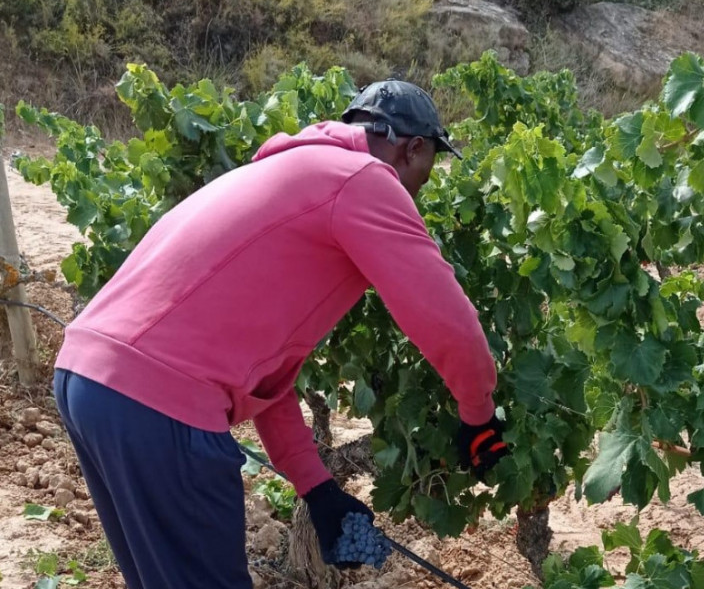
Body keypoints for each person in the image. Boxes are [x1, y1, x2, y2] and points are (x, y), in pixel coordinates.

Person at [52, 80, 509, 589]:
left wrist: (317, 490)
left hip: (90, 381)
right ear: (414, 147)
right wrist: (479, 416)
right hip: (156, 404)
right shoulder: (363, 179)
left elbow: (267, 379)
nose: (426, 181)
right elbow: (445, 317)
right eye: (431, 164)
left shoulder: (284, 171)